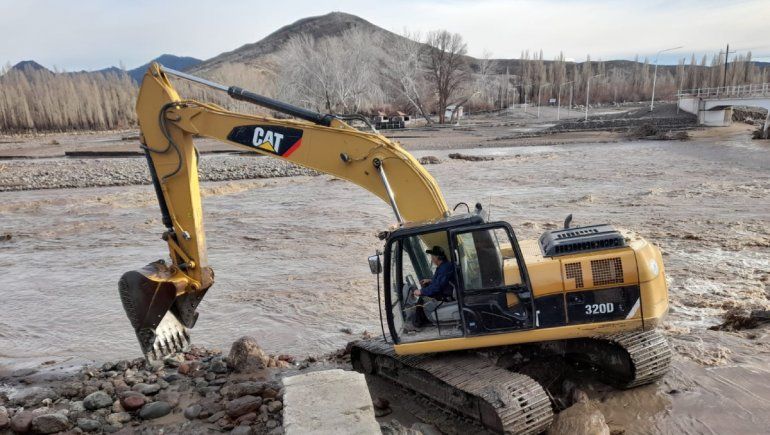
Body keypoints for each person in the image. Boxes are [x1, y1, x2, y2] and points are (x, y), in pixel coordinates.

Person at [410, 245, 456, 327]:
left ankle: (418, 324)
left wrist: (421, 291)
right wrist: (430, 280)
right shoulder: (444, 266)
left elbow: (437, 286)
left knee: (423, 299)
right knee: (424, 294)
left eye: (432, 256)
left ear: (437, 257)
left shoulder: (445, 268)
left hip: (446, 295)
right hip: (445, 290)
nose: (431, 258)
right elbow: (441, 281)